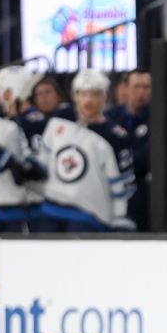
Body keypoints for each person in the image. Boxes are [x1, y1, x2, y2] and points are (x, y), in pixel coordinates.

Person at [37, 69, 136, 232]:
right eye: (83, 94)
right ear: (75, 96)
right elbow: (42, 163)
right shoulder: (59, 120)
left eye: (95, 94)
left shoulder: (115, 137)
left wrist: (120, 218)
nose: (88, 100)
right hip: (50, 210)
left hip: (90, 217)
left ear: (105, 96)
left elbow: (122, 187)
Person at [0, 66, 47, 233]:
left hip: (23, 208)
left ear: (10, 91)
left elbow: (40, 167)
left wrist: (15, 164)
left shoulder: (34, 122)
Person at [106, 71, 152, 231]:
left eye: (146, 87)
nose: (141, 92)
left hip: (142, 197)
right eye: (136, 87)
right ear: (126, 88)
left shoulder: (158, 118)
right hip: (108, 194)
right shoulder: (109, 117)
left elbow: (149, 158)